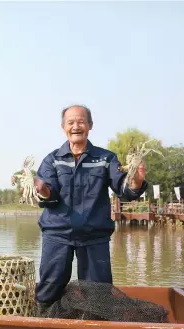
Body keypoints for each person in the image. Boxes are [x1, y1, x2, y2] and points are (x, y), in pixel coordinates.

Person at [29, 105, 148, 309]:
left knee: (98, 295)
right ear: (63, 127)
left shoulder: (106, 159)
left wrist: (135, 182)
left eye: (81, 121)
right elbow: (50, 195)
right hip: (57, 234)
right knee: (49, 288)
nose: (76, 126)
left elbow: (123, 189)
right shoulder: (52, 160)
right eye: (71, 122)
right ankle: (43, 317)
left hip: (95, 236)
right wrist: (42, 190)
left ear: (90, 125)